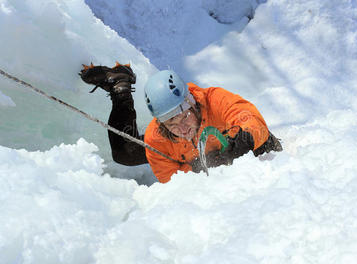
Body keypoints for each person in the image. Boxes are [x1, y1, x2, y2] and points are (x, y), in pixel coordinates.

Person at [80, 63, 282, 183]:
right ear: (161, 123)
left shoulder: (214, 100)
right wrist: (194, 170)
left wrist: (244, 139)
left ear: (191, 103)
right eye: (172, 123)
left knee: (266, 149)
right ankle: (120, 89)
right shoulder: (156, 137)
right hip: (187, 155)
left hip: (247, 149)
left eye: (185, 116)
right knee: (125, 153)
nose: (183, 128)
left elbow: (251, 119)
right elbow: (172, 182)